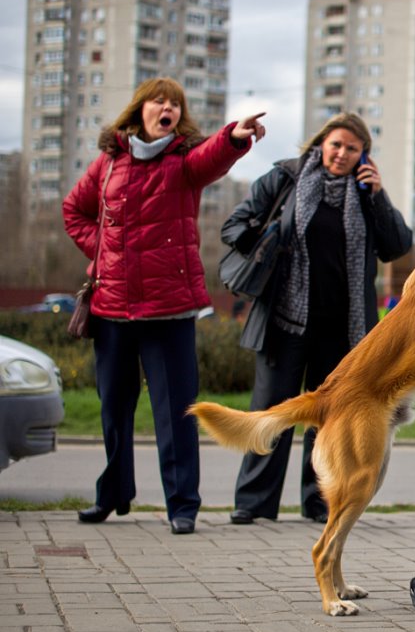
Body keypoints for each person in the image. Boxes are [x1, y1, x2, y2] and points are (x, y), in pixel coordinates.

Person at [63, 77, 266, 535]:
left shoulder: (182, 162)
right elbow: (73, 210)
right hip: (112, 310)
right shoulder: (109, 164)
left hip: (169, 312)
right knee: (114, 410)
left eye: (175, 102)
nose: (167, 106)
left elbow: (211, 157)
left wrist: (235, 135)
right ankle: (112, 495)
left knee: (175, 412)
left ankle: (182, 506)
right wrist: (106, 248)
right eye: (159, 100)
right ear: (141, 110)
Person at [222, 112, 412, 525]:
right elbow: (234, 225)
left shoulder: (365, 194)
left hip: (343, 331)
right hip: (284, 322)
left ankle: (319, 502)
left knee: (328, 418)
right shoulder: (286, 180)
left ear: (364, 155)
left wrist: (378, 196)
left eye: (352, 148)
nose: (342, 154)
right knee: (273, 410)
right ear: (321, 144)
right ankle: (253, 503)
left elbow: (398, 245)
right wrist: (264, 236)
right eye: (336, 145)